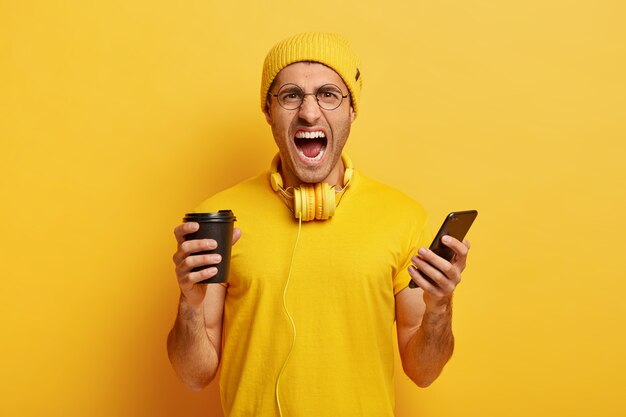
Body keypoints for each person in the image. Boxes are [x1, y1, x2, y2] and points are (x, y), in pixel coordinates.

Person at [167, 32, 472, 417]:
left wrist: (440, 307)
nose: (309, 113)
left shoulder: (403, 217)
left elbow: (424, 372)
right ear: (267, 111)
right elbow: (193, 375)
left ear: (352, 111)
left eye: (328, 94)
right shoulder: (220, 219)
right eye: (291, 95)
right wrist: (190, 305)